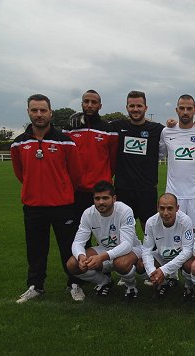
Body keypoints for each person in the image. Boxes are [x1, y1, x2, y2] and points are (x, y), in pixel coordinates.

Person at [11, 94, 84, 303]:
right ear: (28, 112)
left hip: (63, 205)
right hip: (33, 206)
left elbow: (76, 174)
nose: (39, 114)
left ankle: (75, 283)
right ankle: (35, 286)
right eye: (34, 110)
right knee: (36, 249)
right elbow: (20, 173)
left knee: (69, 247)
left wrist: (61, 190)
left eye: (43, 110)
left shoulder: (65, 141)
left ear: (50, 112)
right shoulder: (18, 144)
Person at [66, 181, 143, 299]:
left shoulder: (125, 210)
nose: (101, 202)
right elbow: (78, 242)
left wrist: (102, 257)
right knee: (72, 264)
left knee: (120, 263)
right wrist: (81, 257)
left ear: (114, 198)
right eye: (97, 198)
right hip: (105, 248)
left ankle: (131, 285)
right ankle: (104, 281)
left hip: (132, 249)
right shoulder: (88, 213)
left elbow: (127, 244)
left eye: (105, 198)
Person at [111, 90, 164, 230]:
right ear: (126, 107)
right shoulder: (117, 126)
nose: (135, 109)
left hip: (147, 189)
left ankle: (149, 253)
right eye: (132, 106)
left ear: (146, 108)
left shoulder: (156, 129)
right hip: (123, 189)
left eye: (139, 106)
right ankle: (122, 252)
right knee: (121, 230)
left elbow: (177, 131)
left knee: (149, 229)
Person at [63, 90, 118, 221]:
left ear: (100, 105)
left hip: (100, 190)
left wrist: (104, 177)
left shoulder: (108, 129)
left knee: (105, 230)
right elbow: (64, 157)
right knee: (78, 230)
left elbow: (114, 159)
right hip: (75, 189)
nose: (89, 105)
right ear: (82, 104)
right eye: (86, 102)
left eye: (94, 102)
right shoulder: (70, 127)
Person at [159, 94, 195, 229]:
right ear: (177, 110)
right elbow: (159, 154)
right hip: (174, 193)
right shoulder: (167, 132)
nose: (185, 112)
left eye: (189, 108)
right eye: (182, 108)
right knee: (174, 232)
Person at [142, 193, 195, 299]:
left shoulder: (185, 221)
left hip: (182, 258)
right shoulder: (151, 222)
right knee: (140, 264)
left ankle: (189, 286)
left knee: (191, 265)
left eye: (170, 208)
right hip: (162, 256)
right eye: (162, 208)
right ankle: (162, 283)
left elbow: (188, 251)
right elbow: (146, 250)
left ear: (177, 208)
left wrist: (164, 270)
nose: (165, 213)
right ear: (157, 208)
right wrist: (152, 272)